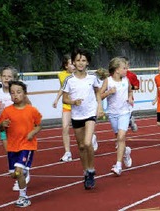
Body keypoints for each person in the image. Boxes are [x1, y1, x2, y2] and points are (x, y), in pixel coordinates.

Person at [62, 48, 103, 190]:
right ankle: (85, 170)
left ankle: (91, 170)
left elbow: (98, 92)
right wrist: (73, 102)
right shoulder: (69, 80)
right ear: (73, 62)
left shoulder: (92, 78)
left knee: (87, 143)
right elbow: (65, 98)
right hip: (77, 115)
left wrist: (100, 107)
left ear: (88, 63)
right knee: (80, 146)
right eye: (78, 60)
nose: (80, 63)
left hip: (90, 113)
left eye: (83, 60)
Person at [0, 81, 42, 208]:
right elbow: (0, 128)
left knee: (18, 172)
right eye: (12, 93)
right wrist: (2, 125)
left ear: (24, 94)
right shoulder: (7, 111)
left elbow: (39, 126)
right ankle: (24, 173)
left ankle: (23, 197)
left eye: (18, 92)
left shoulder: (31, 110)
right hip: (12, 146)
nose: (15, 95)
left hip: (27, 145)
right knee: (13, 174)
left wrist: (32, 133)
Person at [0, 66, 33, 191]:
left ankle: (22, 171)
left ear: (14, 79)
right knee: (11, 153)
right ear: (0, 78)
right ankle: (21, 173)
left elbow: (29, 106)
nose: (6, 78)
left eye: (9, 76)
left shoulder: (18, 92)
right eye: (4, 76)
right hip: (5, 129)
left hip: (20, 129)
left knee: (20, 151)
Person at [99, 57, 133, 176]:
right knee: (118, 139)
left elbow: (130, 91)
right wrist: (108, 92)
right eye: (124, 68)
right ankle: (125, 152)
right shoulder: (108, 81)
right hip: (113, 113)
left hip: (124, 112)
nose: (126, 70)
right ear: (117, 70)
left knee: (121, 136)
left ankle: (118, 165)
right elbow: (99, 95)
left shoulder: (126, 80)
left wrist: (130, 97)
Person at [52, 54, 76, 162]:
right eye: (71, 63)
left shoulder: (79, 75)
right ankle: (67, 152)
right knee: (65, 127)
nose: (74, 65)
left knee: (81, 128)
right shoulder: (61, 75)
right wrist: (56, 99)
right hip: (67, 104)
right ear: (66, 66)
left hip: (78, 105)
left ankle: (92, 138)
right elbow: (62, 88)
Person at [121, 56, 140, 132]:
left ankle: (130, 119)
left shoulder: (131, 75)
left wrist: (129, 87)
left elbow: (137, 87)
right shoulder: (115, 75)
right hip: (117, 100)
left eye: (126, 66)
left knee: (125, 115)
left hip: (128, 99)